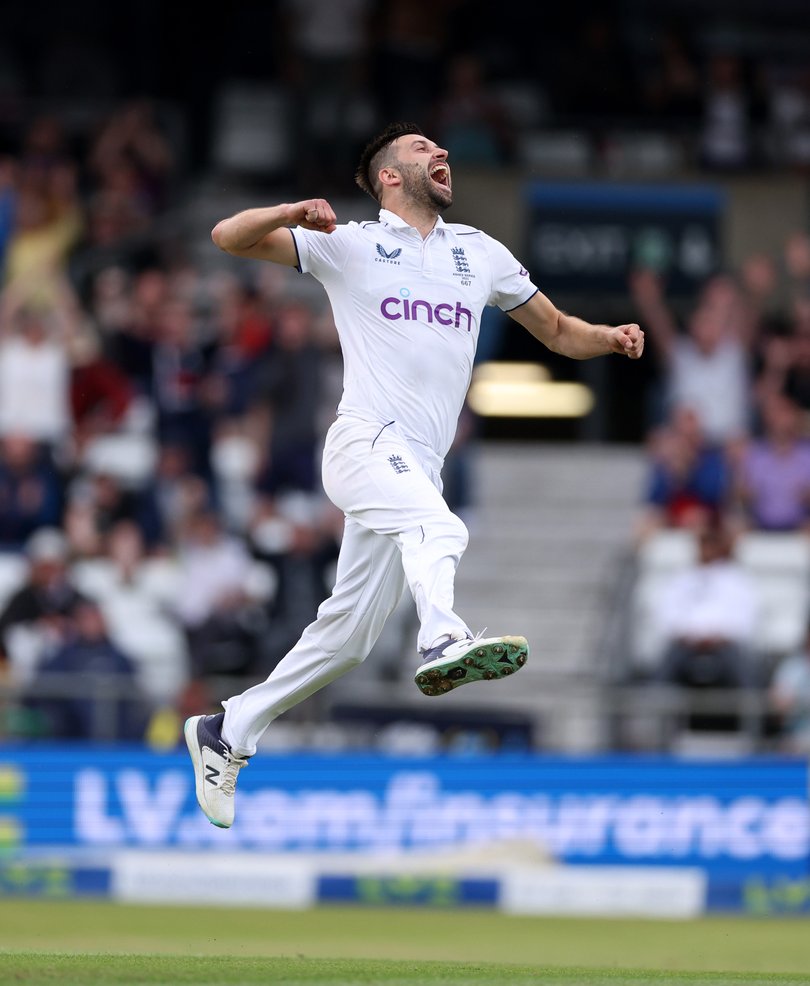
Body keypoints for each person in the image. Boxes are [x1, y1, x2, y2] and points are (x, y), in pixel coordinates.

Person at [185, 122, 644, 828]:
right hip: (365, 442)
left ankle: (229, 728)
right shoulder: (354, 244)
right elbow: (227, 237)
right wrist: (287, 212)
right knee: (439, 523)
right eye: (424, 149)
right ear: (390, 176)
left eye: (443, 149)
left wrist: (609, 338)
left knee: (350, 637)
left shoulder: (480, 253)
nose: (442, 155)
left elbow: (556, 331)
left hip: (414, 463)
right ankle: (442, 637)